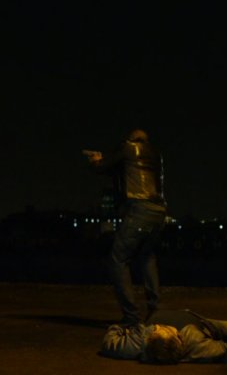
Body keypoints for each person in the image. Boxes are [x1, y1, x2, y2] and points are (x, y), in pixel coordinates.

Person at [86, 129, 167, 325]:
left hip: (140, 208)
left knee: (118, 259)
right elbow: (124, 170)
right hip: (159, 211)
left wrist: (96, 160)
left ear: (131, 139)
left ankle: (131, 316)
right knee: (147, 256)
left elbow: (103, 167)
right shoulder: (155, 154)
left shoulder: (128, 148)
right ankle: (155, 310)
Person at [99, 309, 227, 367]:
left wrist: (122, 328)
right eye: (175, 333)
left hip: (194, 318)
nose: (177, 331)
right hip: (207, 327)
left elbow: (108, 341)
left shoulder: (136, 344)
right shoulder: (194, 345)